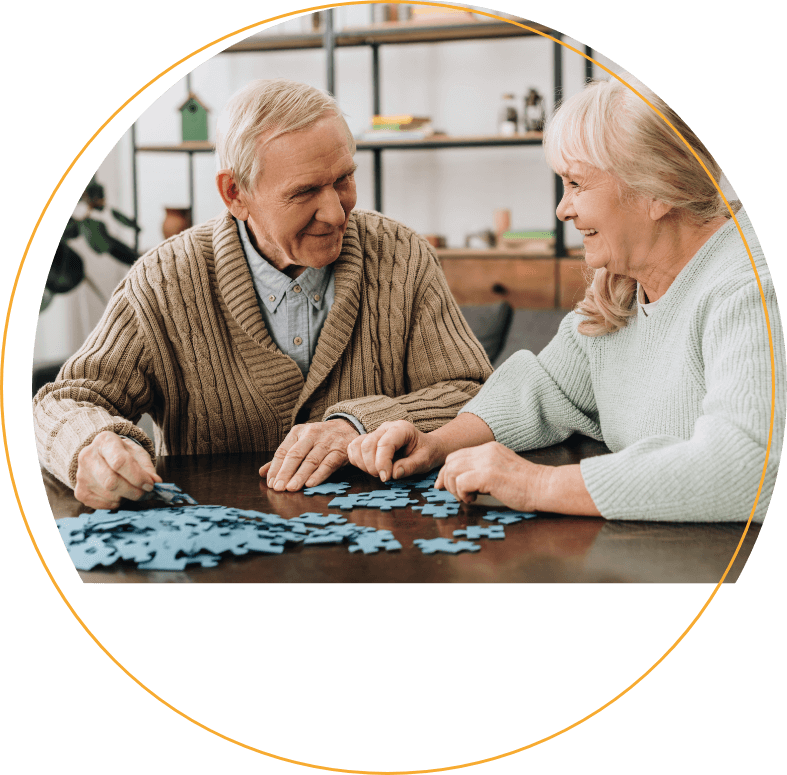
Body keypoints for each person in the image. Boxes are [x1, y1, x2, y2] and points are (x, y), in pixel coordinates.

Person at [33, 78, 493, 510]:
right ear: (235, 193)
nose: (336, 213)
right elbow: (66, 402)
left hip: (386, 541)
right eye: (305, 192)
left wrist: (356, 425)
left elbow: (477, 396)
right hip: (220, 551)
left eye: (343, 180)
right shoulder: (163, 280)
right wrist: (92, 444)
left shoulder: (402, 255)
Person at [348, 75, 785, 523]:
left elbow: (751, 466)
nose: (562, 209)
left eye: (577, 184)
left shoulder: (750, 287)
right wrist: (436, 443)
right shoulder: (623, 283)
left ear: (658, 191)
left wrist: (536, 484)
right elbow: (546, 386)